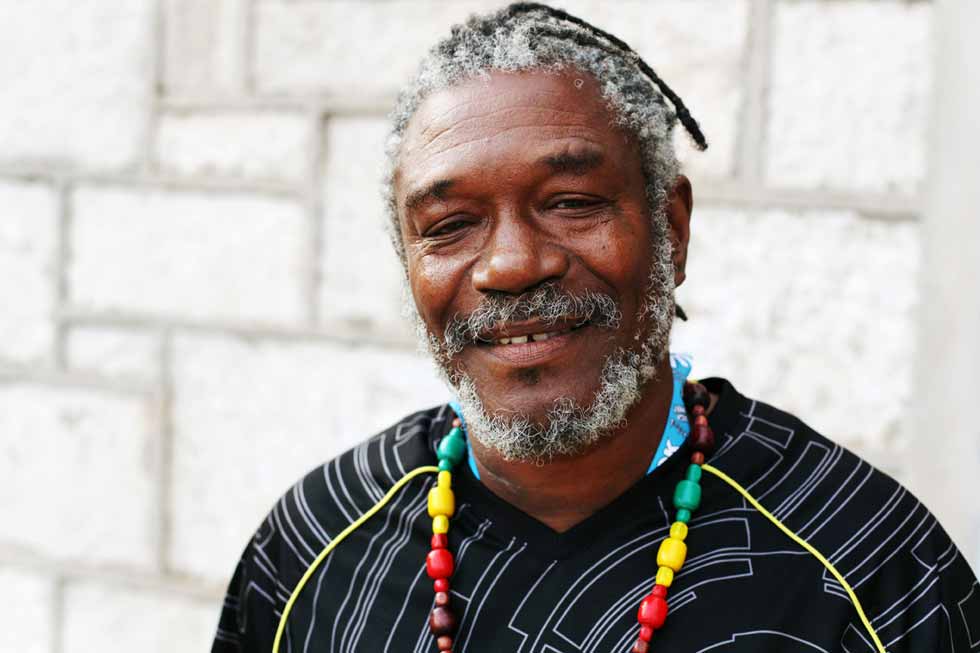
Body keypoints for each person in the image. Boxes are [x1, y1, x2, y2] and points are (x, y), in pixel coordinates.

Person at [211, 4, 980, 652]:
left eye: (572, 203)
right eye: (449, 225)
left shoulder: (872, 570)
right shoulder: (314, 548)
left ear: (672, 231)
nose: (511, 265)